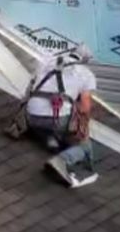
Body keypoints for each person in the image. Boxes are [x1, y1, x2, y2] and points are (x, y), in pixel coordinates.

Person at [20, 45, 98, 186]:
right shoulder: (86, 74)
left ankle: (50, 138)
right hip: (55, 121)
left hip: (30, 115)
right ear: (85, 60)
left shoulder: (48, 61)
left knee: (49, 124)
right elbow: (85, 109)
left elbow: (29, 88)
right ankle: (62, 160)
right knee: (84, 146)